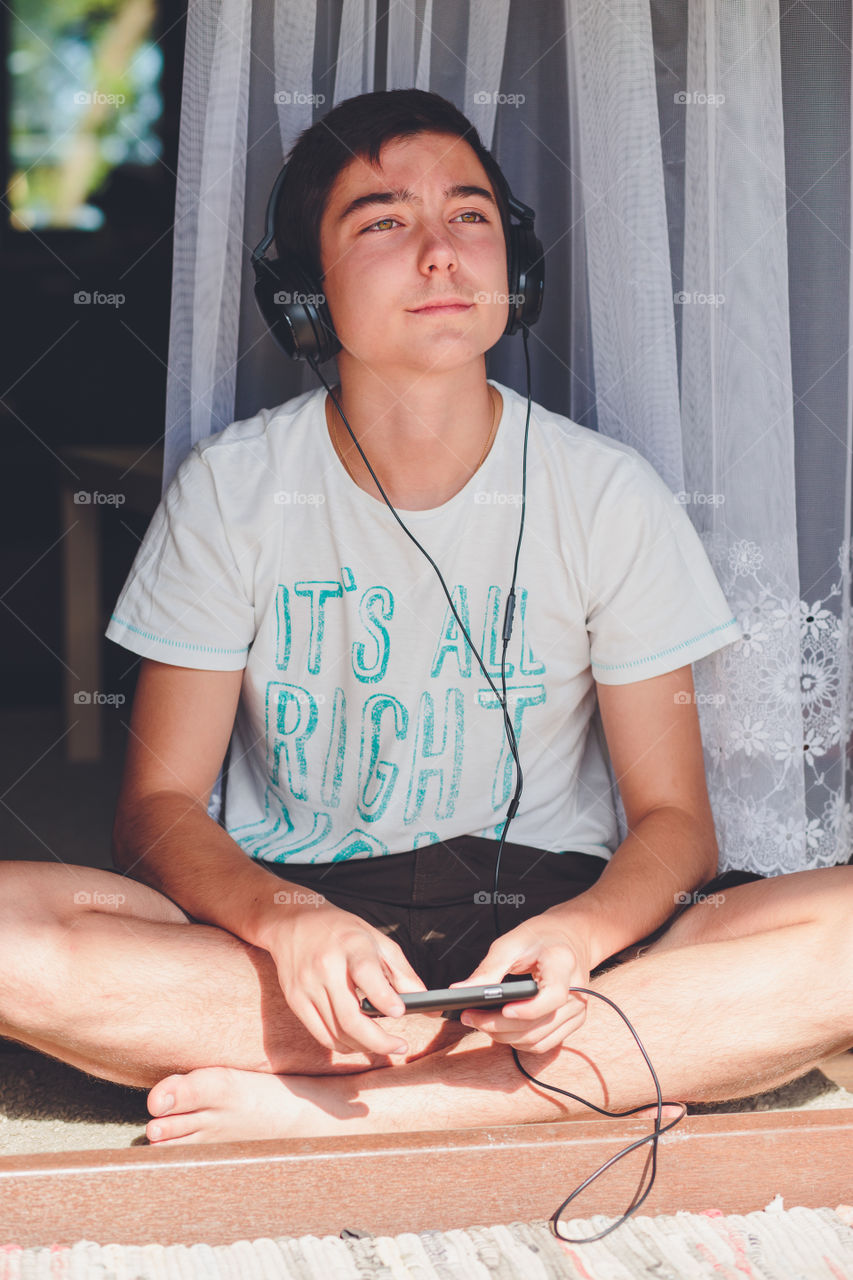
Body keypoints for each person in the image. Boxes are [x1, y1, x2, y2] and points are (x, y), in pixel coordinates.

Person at [1, 90, 850, 1148]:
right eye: (383, 222)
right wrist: (290, 923)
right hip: (305, 945)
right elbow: (159, 809)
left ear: (516, 268)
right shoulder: (235, 488)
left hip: (553, 936)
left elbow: (676, 823)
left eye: (470, 215)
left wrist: (581, 934)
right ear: (305, 294)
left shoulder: (608, 493)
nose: (441, 253)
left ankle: (351, 1109)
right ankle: (556, 1085)